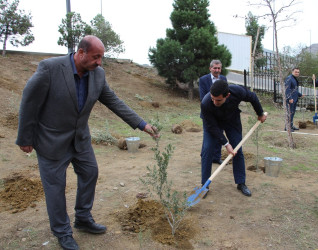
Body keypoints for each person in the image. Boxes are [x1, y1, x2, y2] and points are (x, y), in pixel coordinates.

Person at [16, 35, 159, 250]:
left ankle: (82, 218)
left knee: (90, 172)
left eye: (101, 57)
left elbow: (113, 101)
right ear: (81, 53)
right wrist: (25, 137)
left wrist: (142, 124)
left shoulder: (97, 75)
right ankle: (62, 232)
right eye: (96, 57)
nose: (99, 62)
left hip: (80, 140)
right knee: (55, 187)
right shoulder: (50, 68)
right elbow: (29, 101)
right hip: (51, 141)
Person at [200, 80, 267, 197]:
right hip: (213, 124)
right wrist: (226, 143)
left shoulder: (237, 91)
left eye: (219, 100)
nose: (215, 102)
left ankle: (241, 183)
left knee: (237, 149)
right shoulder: (206, 103)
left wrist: (260, 113)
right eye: (213, 98)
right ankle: (204, 185)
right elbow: (211, 126)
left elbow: (253, 97)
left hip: (232, 121)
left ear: (228, 95)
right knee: (207, 150)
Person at [199, 59, 227, 168]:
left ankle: (216, 157)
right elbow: (202, 97)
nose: (217, 70)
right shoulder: (203, 80)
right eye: (215, 68)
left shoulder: (223, 79)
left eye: (219, 68)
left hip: (220, 113)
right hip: (208, 112)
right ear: (210, 68)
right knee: (208, 135)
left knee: (219, 133)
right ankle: (205, 157)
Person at [284, 67, 303, 132]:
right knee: (289, 113)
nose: (297, 73)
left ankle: (291, 125)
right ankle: (287, 127)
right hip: (290, 99)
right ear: (292, 72)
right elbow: (287, 89)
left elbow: (294, 90)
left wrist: (300, 94)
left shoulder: (294, 79)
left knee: (292, 113)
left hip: (294, 99)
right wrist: (290, 98)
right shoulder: (289, 78)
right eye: (296, 72)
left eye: (298, 72)